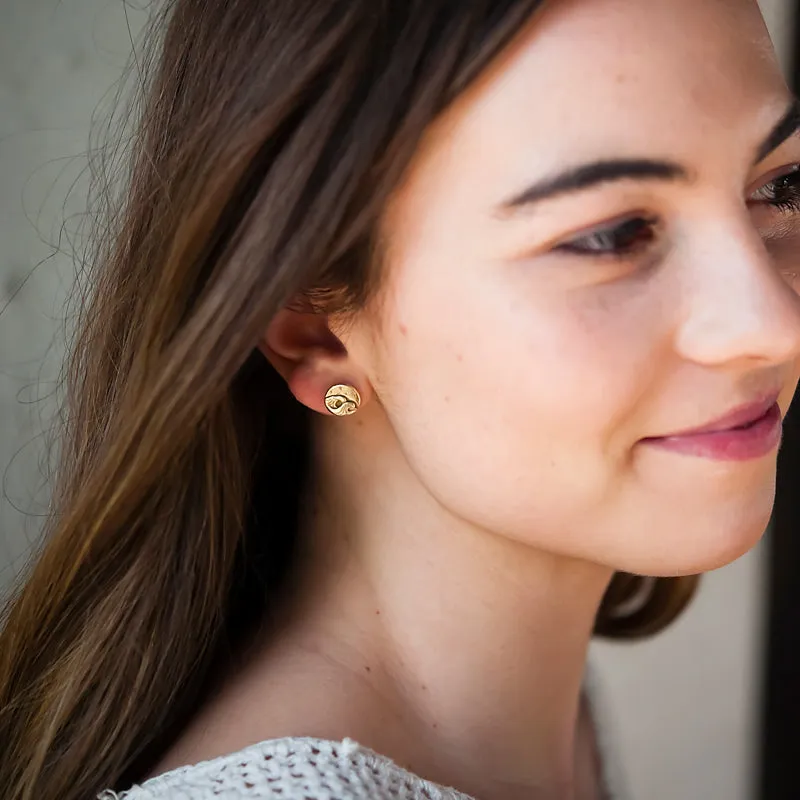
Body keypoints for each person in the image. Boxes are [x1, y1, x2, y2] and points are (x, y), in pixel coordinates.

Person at [2, 0, 800, 797]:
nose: (770, 323)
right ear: (318, 335)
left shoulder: (534, 705)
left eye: (779, 187)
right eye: (612, 235)